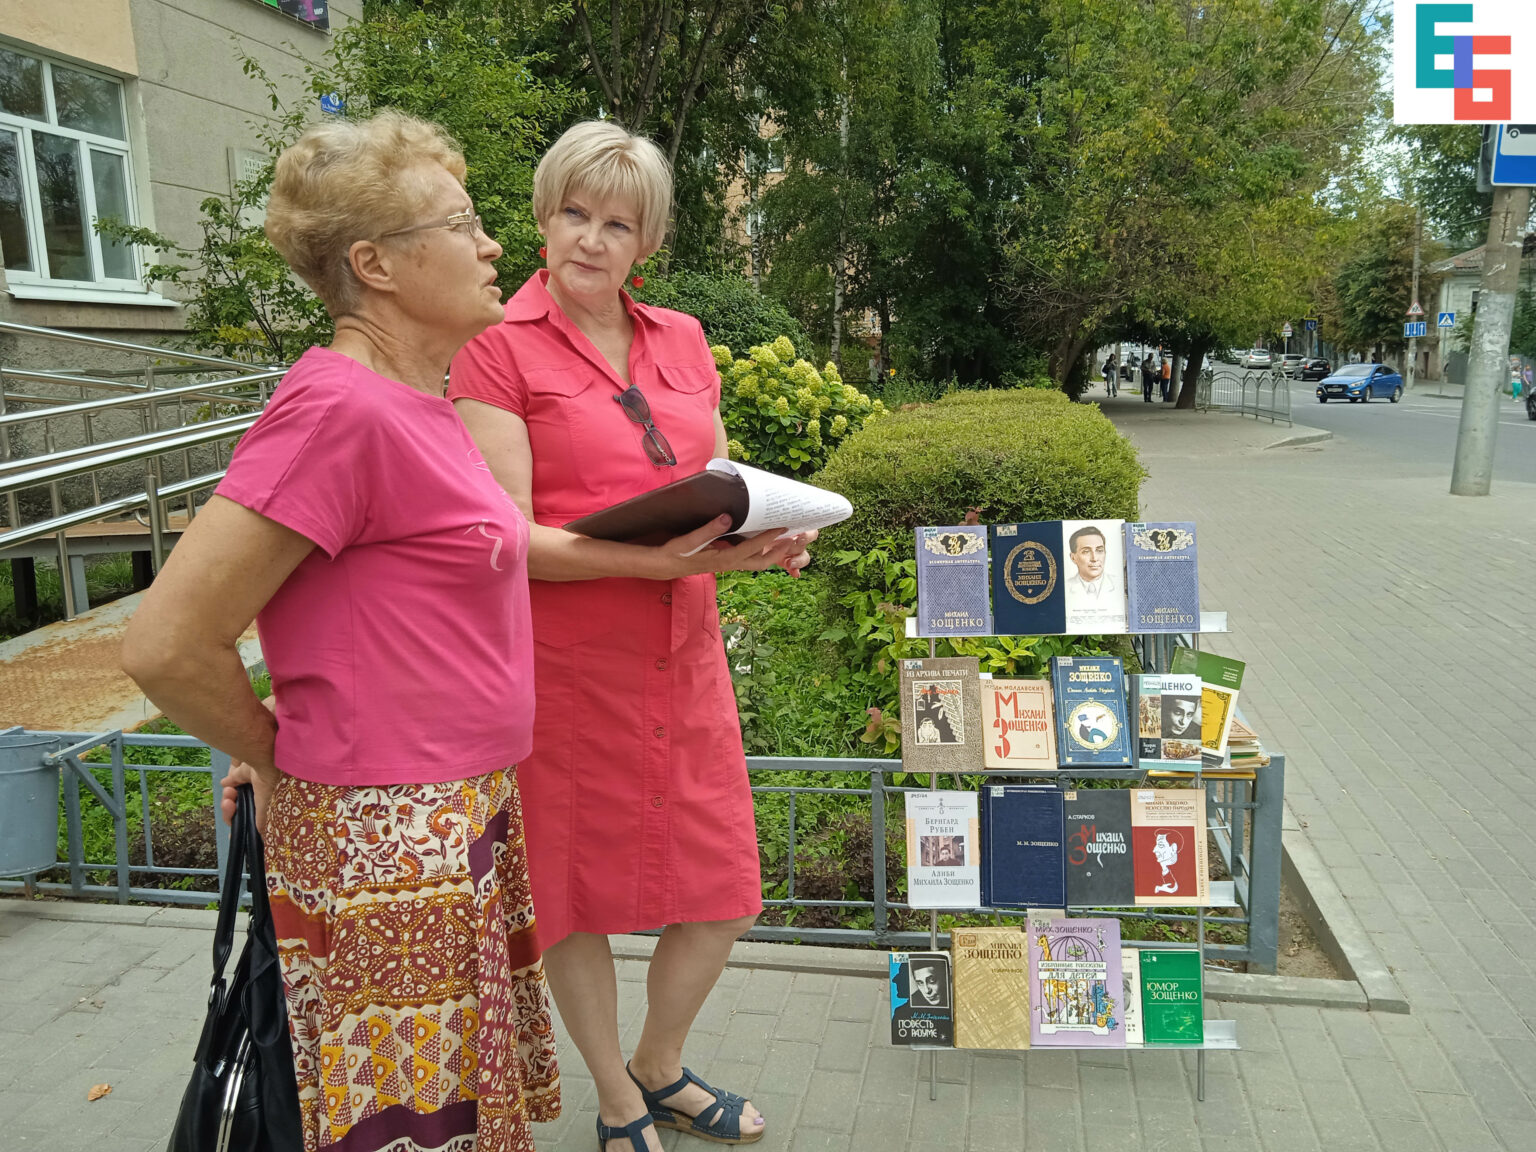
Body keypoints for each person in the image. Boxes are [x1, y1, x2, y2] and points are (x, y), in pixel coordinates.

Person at [119, 112, 560, 1152]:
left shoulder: (416, 403)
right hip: (386, 843)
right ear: (377, 264)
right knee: (406, 1126)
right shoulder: (338, 410)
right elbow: (166, 644)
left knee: (448, 1117)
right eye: (463, 223)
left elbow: (359, 604)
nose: (493, 243)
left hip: (450, 819)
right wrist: (275, 751)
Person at [449, 121, 810, 1152]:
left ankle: (661, 1062)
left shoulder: (684, 338)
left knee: (726, 891)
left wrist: (760, 535)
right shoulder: (494, 345)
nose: (590, 239)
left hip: (683, 655)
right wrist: (663, 564)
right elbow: (511, 539)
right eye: (574, 212)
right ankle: (616, 1095)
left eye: (616, 223)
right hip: (566, 669)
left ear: (645, 241)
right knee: (573, 900)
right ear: (543, 215)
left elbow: (718, 481)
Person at [1064, 524, 1118, 599]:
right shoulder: (1065, 587)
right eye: (1086, 551)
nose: (1094, 558)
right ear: (1073, 558)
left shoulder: (1119, 583)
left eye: (1099, 550)